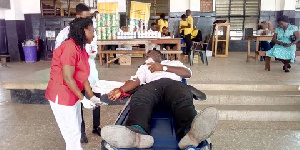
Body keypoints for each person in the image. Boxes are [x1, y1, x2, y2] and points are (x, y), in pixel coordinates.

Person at [101, 50, 219, 149]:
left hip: (173, 84)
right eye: (146, 55)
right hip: (152, 86)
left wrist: (163, 67)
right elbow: (136, 80)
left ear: (158, 55)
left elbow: (187, 73)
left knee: (182, 100)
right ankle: (136, 134)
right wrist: (120, 90)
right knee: (140, 99)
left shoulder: (174, 63)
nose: (146, 56)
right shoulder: (144, 67)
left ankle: (191, 134)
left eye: (149, 54)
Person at [45, 18, 104, 150]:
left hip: (72, 94)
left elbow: (83, 76)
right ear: (85, 30)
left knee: (76, 128)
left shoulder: (80, 48)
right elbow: (68, 77)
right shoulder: (69, 48)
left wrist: (91, 96)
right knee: (72, 133)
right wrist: (83, 99)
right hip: (61, 96)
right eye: (92, 30)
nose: (94, 34)